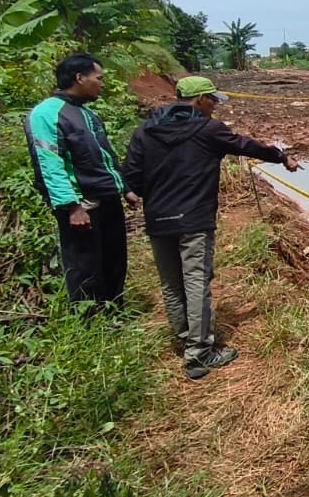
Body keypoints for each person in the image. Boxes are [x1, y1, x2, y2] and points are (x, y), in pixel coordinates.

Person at [123, 75, 299, 380]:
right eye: (213, 99)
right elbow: (247, 146)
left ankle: (185, 338)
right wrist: (281, 156)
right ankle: (200, 353)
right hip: (193, 219)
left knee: (171, 282)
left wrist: (132, 192)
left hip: (158, 220)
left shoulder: (145, 131)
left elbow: (131, 175)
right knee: (195, 281)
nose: (216, 105)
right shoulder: (207, 129)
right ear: (200, 99)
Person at [24, 53, 139, 311]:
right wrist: (72, 206)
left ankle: (113, 311)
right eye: (99, 78)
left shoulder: (86, 114)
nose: (103, 84)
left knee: (114, 258)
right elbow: (49, 163)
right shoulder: (47, 114)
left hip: (107, 197)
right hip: (82, 204)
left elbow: (106, 155)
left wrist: (125, 188)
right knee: (85, 264)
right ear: (80, 77)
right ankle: (90, 319)